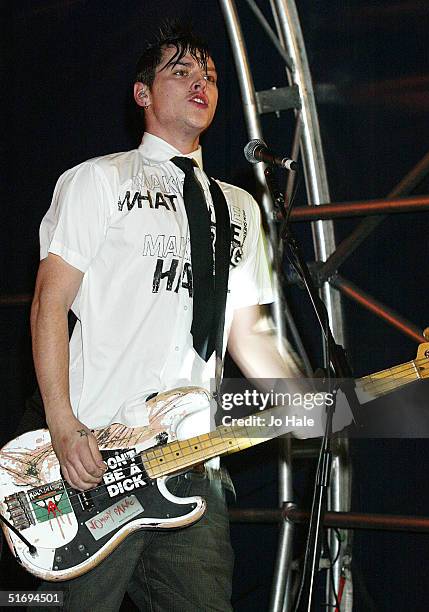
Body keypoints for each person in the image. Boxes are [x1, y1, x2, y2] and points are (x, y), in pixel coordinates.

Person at [30, 22, 297, 612]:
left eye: (210, 76)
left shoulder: (240, 207)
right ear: (143, 94)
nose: (201, 82)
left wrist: (303, 398)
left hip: (194, 464)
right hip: (95, 459)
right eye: (182, 71)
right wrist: (63, 425)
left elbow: (245, 329)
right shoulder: (99, 180)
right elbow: (49, 302)